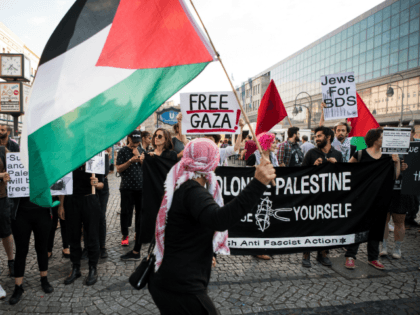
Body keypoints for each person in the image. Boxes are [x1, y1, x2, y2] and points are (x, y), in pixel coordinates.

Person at [148, 138, 276, 315]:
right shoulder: (192, 191)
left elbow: (188, 227)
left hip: (169, 278)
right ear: (211, 163)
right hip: (179, 285)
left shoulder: (183, 184)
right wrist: (258, 183)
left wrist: (208, 251)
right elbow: (220, 220)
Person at [345, 128, 401, 270]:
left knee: (376, 227)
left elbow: (395, 177)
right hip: (362, 197)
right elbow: (346, 170)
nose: (384, 140)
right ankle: (350, 256)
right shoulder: (360, 154)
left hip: (379, 198)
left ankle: (373, 258)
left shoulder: (387, 156)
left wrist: (397, 162)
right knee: (358, 226)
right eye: (382, 137)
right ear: (374, 138)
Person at [300, 126, 343, 268]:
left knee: (327, 226)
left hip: (329, 198)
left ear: (328, 137)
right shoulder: (311, 153)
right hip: (312, 197)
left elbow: (343, 177)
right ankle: (306, 255)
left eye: (319, 136)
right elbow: (300, 175)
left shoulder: (337, 154)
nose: (316, 139)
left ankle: (323, 254)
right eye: (315, 136)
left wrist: (336, 166)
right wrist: (313, 166)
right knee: (309, 225)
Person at [58, 164, 104, 286]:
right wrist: (61, 205)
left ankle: (93, 268)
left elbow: (102, 184)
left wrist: (96, 183)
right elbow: (63, 185)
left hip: (90, 199)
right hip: (71, 201)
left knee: (92, 236)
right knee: (73, 236)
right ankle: (75, 268)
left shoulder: (94, 161)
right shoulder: (69, 161)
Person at [9, 197, 54, 304]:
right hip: (21, 213)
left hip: (43, 211)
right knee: (21, 250)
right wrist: (6, 180)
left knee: (42, 248)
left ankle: (44, 280)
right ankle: (18, 286)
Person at [116, 131, 145, 247]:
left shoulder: (142, 151)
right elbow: (118, 169)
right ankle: (125, 234)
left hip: (140, 187)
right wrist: (130, 161)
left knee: (140, 213)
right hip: (127, 187)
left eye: (138, 141)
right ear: (129, 138)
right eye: (134, 141)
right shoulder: (122, 151)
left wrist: (140, 157)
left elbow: (147, 168)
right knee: (125, 212)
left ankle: (138, 233)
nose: (135, 144)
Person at [0, 146, 14, 280]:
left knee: (6, 232)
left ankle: (11, 262)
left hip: (2, 198)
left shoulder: (2, 150)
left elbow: (15, 163)